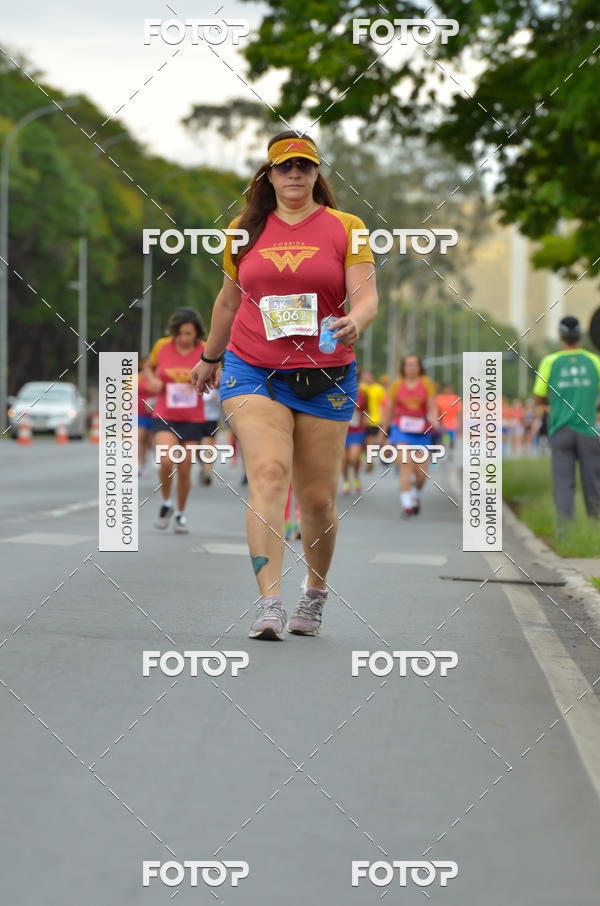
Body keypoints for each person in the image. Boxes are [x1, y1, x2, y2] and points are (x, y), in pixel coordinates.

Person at [190, 131, 378, 640]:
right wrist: (210, 357)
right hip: (253, 368)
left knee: (317, 500)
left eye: (304, 166)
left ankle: (313, 593)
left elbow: (365, 295)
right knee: (269, 476)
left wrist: (356, 321)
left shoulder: (347, 228)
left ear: (317, 174)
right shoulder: (242, 231)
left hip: (326, 373)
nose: (294, 175)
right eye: (284, 167)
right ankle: (269, 602)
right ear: (268, 175)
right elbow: (228, 303)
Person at [143, 308, 206, 533]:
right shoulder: (162, 346)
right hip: (165, 414)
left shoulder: (205, 350)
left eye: (188, 333)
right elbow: (147, 368)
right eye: (179, 333)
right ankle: (166, 503)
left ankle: (180, 512)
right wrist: (152, 381)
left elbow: (217, 375)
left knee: (185, 468)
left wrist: (209, 382)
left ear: (196, 332)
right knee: (167, 460)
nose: (183, 338)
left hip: (192, 418)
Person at [533, 315, 600, 525]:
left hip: (560, 430)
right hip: (588, 430)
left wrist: (551, 405)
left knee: (563, 483)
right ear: (580, 335)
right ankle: (595, 528)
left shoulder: (550, 362)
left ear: (560, 336)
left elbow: (538, 394)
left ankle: (565, 531)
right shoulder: (594, 361)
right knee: (593, 483)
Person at [382, 354, 439, 517]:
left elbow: (432, 406)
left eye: (414, 365)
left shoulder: (426, 384)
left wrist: (435, 420)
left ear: (420, 367)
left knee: (421, 474)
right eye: (408, 365)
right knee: (406, 465)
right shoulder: (397, 385)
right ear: (403, 368)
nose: (412, 368)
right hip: (401, 430)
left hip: (422, 432)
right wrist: (384, 429)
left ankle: (415, 492)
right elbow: (389, 409)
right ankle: (407, 503)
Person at [341, 379, 368, 494]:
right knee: (344, 460)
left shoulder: (361, 393)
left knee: (354, 457)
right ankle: (346, 481)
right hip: (342, 431)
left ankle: (356, 476)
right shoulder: (338, 390)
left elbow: (365, 409)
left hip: (357, 431)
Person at [359, 370, 386, 472]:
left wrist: (383, 416)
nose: (367, 378)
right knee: (367, 443)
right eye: (365, 376)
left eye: (368, 376)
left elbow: (383, 403)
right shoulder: (361, 388)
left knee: (381, 442)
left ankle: (381, 459)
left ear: (372, 377)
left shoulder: (378, 389)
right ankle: (369, 461)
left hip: (377, 419)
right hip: (364, 420)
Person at [199, 383, 221, 485]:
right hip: (197, 419)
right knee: (195, 446)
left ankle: (207, 473)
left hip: (212, 419)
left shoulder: (218, 384)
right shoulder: (198, 382)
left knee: (210, 445)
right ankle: (203, 466)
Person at [137, 360, 156, 477]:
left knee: (151, 441)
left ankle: (155, 456)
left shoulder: (156, 378)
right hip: (139, 414)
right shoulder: (136, 379)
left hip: (155, 414)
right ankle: (141, 465)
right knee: (141, 439)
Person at [435, 383, 461, 452]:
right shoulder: (439, 398)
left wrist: (459, 423)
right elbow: (436, 410)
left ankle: (450, 455)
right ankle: (444, 455)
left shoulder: (455, 398)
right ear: (443, 389)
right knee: (444, 440)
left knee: (452, 441)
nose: (447, 390)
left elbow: (458, 412)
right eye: (445, 388)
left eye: (448, 388)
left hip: (452, 424)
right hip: (442, 424)